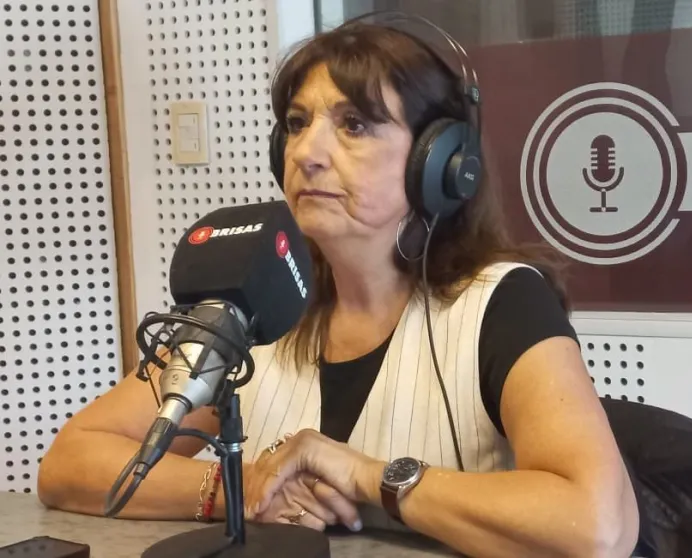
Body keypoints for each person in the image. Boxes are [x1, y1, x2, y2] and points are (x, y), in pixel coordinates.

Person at [36, 15, 640, 558]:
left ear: (438, 163)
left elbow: (598, 527)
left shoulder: (502, 303)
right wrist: (239, 488)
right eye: (297, 124)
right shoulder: (253, 296)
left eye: (354, 124)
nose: (308, 152)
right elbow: (71, 461)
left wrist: (366, 476)